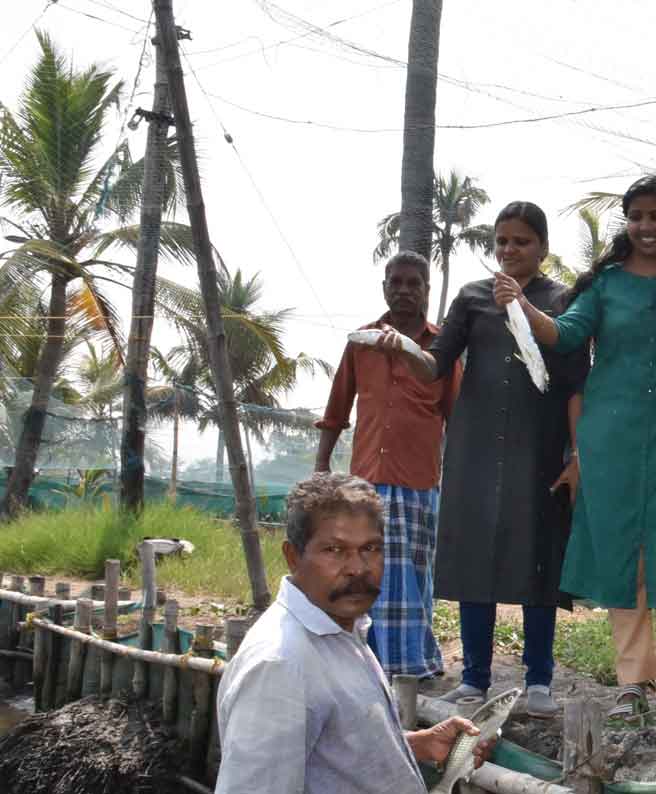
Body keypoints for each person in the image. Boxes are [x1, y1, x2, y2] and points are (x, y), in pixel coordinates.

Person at [494, 175, 656, 719]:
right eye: (637, 216)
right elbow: (564, 333)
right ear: (626, 222)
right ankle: (632, 681)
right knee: (622, 552)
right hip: (611, 440)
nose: (646, 226)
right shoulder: (605, 284)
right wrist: (525, 308)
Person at [400, 201, 588, 718]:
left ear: (543, 248)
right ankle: (475, 679)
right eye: (502, 241)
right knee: (475, 558)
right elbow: (436, 366)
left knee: (538, 562)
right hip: (475, 449)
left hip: (539, 450)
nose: (510, 250)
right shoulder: (471, 297)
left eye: (522, 241)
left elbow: (574, 385)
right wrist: (403, 351)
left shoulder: (563, 302)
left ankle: (539, 680)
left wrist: (578, 456)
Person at [215, 472, 493, 794]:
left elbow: (330, 750)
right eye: (334, 550)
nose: (358, 568)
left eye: (370, 548)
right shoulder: (279, 666)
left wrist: (420, 745)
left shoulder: (342, 629)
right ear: (293, 557)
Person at [314, 251, 461, 679]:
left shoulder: (441, 350)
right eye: (395, 282)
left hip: (418, 481)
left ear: (427, 292)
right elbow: (338, 405)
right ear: (384, 288)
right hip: (364, 484)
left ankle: (413, 664)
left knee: (413, 577)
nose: (403, 290)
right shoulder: (362, 343)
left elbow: (458, 414)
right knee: (362, 571)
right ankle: (364, 660)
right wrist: (322, 464)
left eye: (413, 283)